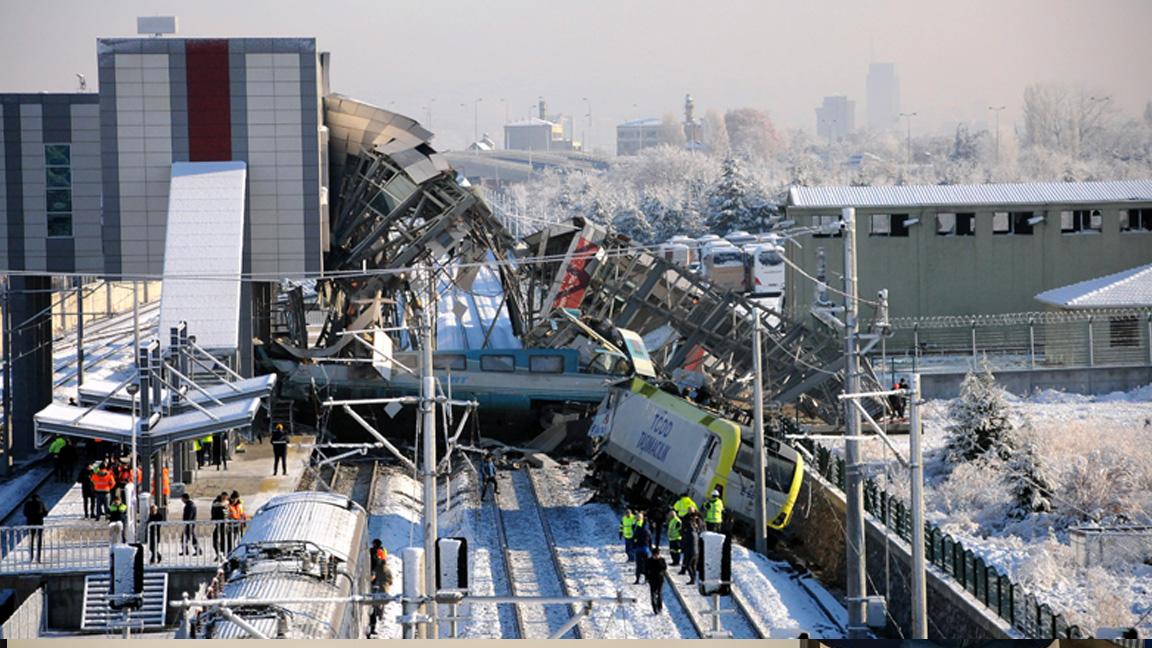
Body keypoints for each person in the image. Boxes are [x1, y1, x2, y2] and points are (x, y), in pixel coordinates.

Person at [367, 538, 393, 638]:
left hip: (375, 579)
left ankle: (375, 621)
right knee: (378, 604)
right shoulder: (383, 551)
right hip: (378, 580)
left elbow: (376, 563)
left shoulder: (374, 552)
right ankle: (379, 616)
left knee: (374, 604)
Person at [23, 493, 47, 562]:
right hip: (39, 523)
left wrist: (31, 516)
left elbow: (25, 513)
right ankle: (38, 557)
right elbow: (45, 513)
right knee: (39, 541)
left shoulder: (27, 504)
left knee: (31, 541)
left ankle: (31, 557)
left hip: (30, 524)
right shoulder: (41, 503)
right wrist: (40, 515)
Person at [645, 547, 668, 614]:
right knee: (653, 594)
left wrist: (658, 560)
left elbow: (664, 568)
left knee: (659, 593)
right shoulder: (649, 561)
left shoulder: (662, 560)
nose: (656, 556)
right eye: (655, 555)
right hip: (652, 579)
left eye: (657, 555)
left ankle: (660, 607)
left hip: (660, 579)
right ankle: (654, 608)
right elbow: (646, 569)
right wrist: (647, 578)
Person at [680, 512, 700, 583]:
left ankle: (692, 579)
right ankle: (694, 578)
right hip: (696, 551)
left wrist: (683, 547)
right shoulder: (696, 532)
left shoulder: (689, 534)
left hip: (690, 551)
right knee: (693, 565)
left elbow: (686, 543)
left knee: (688, 565)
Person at [632, 513, 651, 585]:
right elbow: (650, 538)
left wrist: (634, 545)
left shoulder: (638, 527)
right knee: (645, 564)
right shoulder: (647, 528)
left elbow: (635, 537)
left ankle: (638, 579)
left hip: (640, 548)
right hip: (645, 548)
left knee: (639, 565)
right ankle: (646, 578)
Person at [210, 493, 228, 560]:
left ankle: (222, 554)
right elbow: (214, 512)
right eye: (223, 497)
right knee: (216, 540)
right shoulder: (217, 503)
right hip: (219, 523)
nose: (224, 499)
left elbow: (226, 514)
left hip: (223, 524)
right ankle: (219, 554)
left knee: (223, 540)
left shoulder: (226, 503)